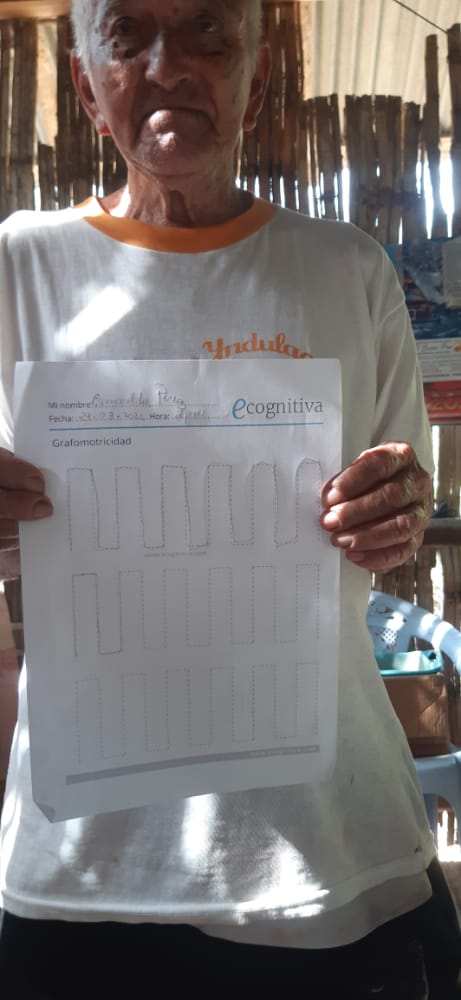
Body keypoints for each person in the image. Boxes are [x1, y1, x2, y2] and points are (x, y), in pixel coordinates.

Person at [0, 1, 459, 996]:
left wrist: (394, 513)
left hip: (328, 850)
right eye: (127, 37)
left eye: (208, 34)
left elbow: (400, 512)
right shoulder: (18, 267)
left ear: (254, 82)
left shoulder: (347, 271)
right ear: (86, 87)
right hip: (84, 864)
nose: (168, 68)